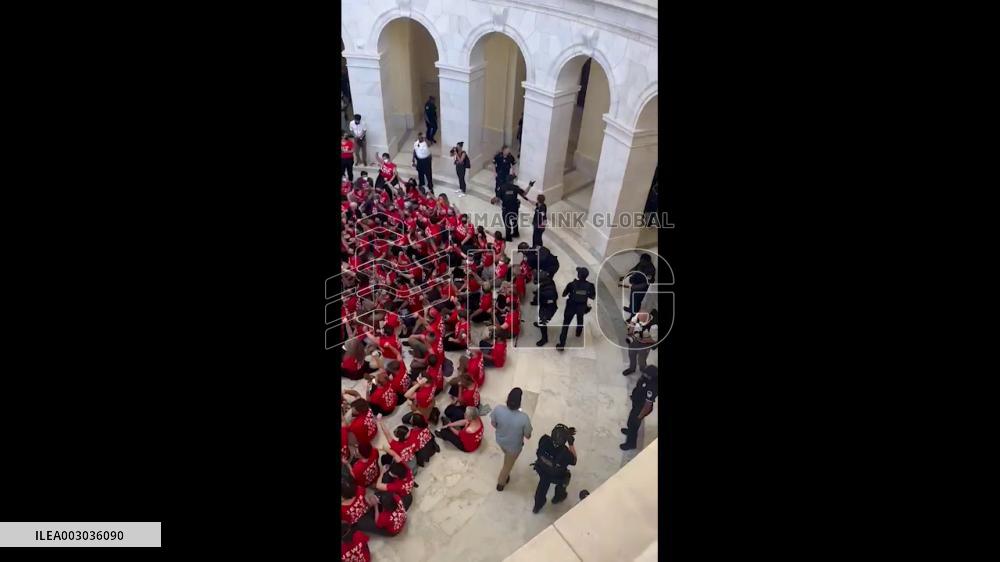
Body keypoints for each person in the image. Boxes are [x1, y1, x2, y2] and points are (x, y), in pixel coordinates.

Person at [490, 387, 533, 491]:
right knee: (507, 467)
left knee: (507, 457)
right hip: (514, 448)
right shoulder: (524, 418)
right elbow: (528, 435)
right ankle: (501, 483)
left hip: (500, 441)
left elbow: (493, 424)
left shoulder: (498, 409)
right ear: (519, 402)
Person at [531, 424, 577, 513]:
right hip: (556, 475)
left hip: (541, 469)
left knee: (542, 486)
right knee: (566, 476)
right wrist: (571, 444)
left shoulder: (544, 440)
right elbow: (574, 461)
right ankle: (558, 496)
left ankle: (537, 506)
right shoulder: (565, 453)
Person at [556, 267, 596, 350]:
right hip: (582, 307)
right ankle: (578, 332)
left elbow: (564, 294)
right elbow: (592, 297)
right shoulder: (590, 286)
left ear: (578, 275)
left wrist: (573, 293)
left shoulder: (571, 284)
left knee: (566, 324)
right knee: (580, 318)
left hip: (570, 307)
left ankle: (562, 344)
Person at [621, 365, 658, 450]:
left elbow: (648, 405)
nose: (644, 375)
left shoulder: (652, 387)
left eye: (646, 374)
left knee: (633, 425)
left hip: (641, 408)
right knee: (631, 422)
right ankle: (629, 431)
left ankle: (630, 444)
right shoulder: (645, 378)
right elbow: (639, 388)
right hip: (637, 404)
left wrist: (640, 416)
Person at [623, 309, 658, 375]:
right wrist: (631, 332)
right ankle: (632, 369)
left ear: (648, 319)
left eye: (643, 321)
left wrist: (643, 339)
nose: (640, 322)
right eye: (639, 320)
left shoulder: (654, 327)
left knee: (641, 360)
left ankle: (643, 370)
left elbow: (654, 340)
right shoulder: (639, 315)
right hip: (634, 340)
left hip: (644, 344)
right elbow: (633, 321)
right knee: (631, 355)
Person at [533, 270, 559, 347]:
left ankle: (544, 339)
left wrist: (540, 298)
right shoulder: (549, 281)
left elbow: (553, 299)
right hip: (544, 305)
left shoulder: (549, 292)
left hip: (549, 308)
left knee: (543, 321)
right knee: (540, 316)